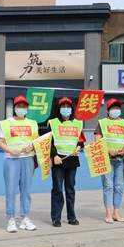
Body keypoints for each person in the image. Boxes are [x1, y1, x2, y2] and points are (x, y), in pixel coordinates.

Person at [0, 95, 38, 233]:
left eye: (24, 106)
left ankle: (25, 217)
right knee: (11, 190)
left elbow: (37, 141)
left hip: (28, 159)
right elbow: (0, 142)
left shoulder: (33, 123)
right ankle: (11, 219)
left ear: (27, 108)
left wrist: (31, 147)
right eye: (19, 106)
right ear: (15, 107)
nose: (22, 108)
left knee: (26, 190)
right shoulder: (6, 123)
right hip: (11, 159)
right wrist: (10, 150)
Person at [94, 98, 124, 224]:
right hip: (107, 159)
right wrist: (109, 150)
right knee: (108, 186)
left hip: (121, 159)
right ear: (108, 110)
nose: (116, 110)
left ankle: (116, 212)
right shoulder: (102, 123)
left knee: (119, 187)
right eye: (113, 108)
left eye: (118, 108)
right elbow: (97, 141)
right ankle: (108, 213)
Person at [48, 97, 84, 227]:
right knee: (57, 189)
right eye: (63, 106)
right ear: (59, 109)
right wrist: (54, 155)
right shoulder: (52, 123)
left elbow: (81, 141)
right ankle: (56, 218)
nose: (66, 109)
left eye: (68, 106)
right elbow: (48, 141)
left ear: (71, 108)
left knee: (70, 189)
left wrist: (78, 147)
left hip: (72, 160)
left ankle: (71, 217)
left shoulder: (78, 123)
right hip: (58, 160)